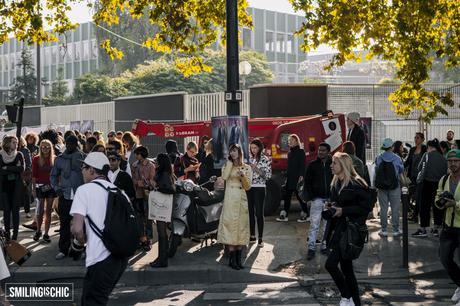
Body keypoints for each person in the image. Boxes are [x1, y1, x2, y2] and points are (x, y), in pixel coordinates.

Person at [70, 152, 128, 306]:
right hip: (120, 258)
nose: (82, 170)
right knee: (98, 299)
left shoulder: (84, 190)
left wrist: (80, 244)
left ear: (92, 170)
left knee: (92, 301)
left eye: (84, 167)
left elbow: (77, 229)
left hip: (100, 258)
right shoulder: (118, 191)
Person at [325, 152, 370, 306]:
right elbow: (337, 208)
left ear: (343, 165)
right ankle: (355, 302)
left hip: (350, 233)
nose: (331, 165)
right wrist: (331, 207)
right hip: (339, 230)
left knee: (330, 264)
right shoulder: (336, 183)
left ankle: (346, 297)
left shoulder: (355, 184)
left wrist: (343, 210)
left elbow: (365, 208)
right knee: (347, 270)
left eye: (334, 163)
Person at [50, 135, 85, 260]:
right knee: (64, 223)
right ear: (66, 144)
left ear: (76, 144)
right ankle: (63, 250)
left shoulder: (83, 157)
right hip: (65, 195)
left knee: (82, 225)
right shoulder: (60, 159)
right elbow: (53, 176)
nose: (70, 146)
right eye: (68, 144)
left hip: (80, 196)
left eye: (73, 144)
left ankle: (81, 248)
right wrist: (56, 189)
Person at [218, 144, 252, 270]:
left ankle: (238, 259)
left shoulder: (247, 167)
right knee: (231, 227)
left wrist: (242, 176)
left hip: (241, 200)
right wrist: (229, 163)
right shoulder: (228, 165)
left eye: (235, 151)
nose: (233, 153)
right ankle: (232, 260)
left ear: (240, 152)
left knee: (241, 228)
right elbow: (224, 177)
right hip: (230, 199)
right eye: (231, 150)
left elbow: (248, 186)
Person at [435, 149, 460, 305]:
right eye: (450, 161)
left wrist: (455, 204)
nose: (452, 163)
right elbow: (438, 197)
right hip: (448, 227)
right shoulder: (444, 179)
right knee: (445, 259)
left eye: (456, 160)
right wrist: (440, 203)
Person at [413, 139, 448, 237]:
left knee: (424, 206)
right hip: (439, 185)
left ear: (429, 147)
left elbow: (419, 168)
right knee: (437, 206)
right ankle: (436, 229)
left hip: (426, 184)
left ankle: (423, 229)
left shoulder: (426, 155)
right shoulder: (443, 157)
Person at [304, 142, 332, 260]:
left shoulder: (332, 164)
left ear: (328, 152)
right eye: (319, 150)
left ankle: (324, 246)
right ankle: (311, 247)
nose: (320, 152)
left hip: (329, 200)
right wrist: (310, 198)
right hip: (317, 199)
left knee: (327, 225)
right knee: (314, 224)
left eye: (323, 150)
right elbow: (307, 183)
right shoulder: (312, 165)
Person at [149, 153, 176, 268]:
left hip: (162, 206)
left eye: (157, 161)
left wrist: (156, 186)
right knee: (162, 233)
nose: (155, 163)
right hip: (162, 206)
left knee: (162, 233)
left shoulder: (164, 174)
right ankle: (161, 258)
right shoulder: (167, 173)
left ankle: (162, 259)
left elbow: (169, 189)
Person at [375, 138, 404, 237]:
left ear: (384, 147)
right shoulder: (397, 158)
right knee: (395, 208)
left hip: (382, 187)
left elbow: (376, 170)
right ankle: (396, 230)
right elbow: (401, 171)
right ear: (392, 147)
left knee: (383, 208)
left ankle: (384, 230)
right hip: (394, 186)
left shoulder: (379, 158)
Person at [276, 134, 308, 222]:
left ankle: (305, 212)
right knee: (287, 196)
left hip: (298, 178)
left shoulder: (301, 151)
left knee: (300, 196)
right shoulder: (290, 153)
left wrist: (301, 176)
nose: (290, 142)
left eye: (292, 140)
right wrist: (286, 175)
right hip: (290, 178)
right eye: (289, 141)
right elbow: (290, 166)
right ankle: (285, 214)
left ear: (297, 141)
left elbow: (302, 165)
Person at [0, 136, 25, 241]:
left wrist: (7, 168)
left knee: (15, 211)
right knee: (6, 211)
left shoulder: (19, 154)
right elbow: (0, 171)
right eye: (13, 142)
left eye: (16, 142)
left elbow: (21, 169)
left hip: (16, 186)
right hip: (4, 187)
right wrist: (14, 169)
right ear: (7, 143)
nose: (16, 144)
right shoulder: (0, 155)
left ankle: (15, 234)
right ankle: (7, 234)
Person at [248, 139, 271, 247]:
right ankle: (252, 235)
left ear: (260, 148)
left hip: (260, 187)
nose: (253, 150)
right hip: (249, 187)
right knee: (250, 213)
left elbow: (268, 176)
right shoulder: (248, 159)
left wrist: (256, 169)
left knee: (259, 213)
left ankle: (260, 238)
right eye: (251, 148)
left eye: (255, 148)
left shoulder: (265, 159)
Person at [32, 139, 57, 243]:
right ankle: (38, 230)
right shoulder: (36, 159)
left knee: (48, 211)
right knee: (40, 211)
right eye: (43, 147)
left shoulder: (55, 159)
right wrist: (33, 189)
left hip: (51, 187)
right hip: (40, 187)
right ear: (40, 148)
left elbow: (57, 174)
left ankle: (46, 233)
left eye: (47, 147)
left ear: (50, 148)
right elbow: (34, 176)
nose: (45, 149)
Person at [131, 145, 156, 251]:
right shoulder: (134, 165)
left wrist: (145, 183)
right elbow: (132, 179)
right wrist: (137, 183)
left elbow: (153, 180)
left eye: (137, 154)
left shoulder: (150, 165)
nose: (136, 156)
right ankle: (142, 239)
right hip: (137, 194)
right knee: (139, 218)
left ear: (141, 154)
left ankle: (149, 239)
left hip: (147, 194)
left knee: (148, 218)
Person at [405, 132, 427, 223]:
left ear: (422, 139)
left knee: (418, 196)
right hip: (412, 176)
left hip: (421, 177)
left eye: (417, 138)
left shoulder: (425, 149)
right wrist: (400, 165)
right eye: (415, 137)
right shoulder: (412, 149)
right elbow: (408, 161)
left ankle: (415, 215)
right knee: (408, 195)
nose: (416, 139)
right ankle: (414, 213)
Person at [19, 136, 33, 218]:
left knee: (25, 194)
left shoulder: (25, 150)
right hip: (17, 175)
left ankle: (27, 211)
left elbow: (29, 163)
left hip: (24, 175)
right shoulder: (12, 150)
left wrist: (24, 171)